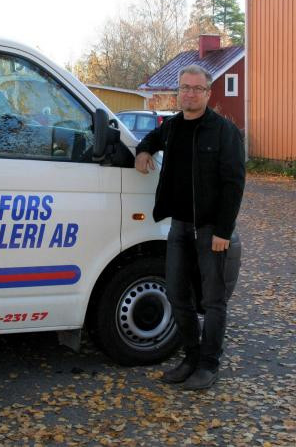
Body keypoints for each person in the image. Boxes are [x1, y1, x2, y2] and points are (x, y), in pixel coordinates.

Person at [134, 64, 245, 390]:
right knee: (177, 294)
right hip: (179, 227)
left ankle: (209, 365)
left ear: (208, 93)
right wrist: (143, 151)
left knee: (212, 301)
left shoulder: (224, 131)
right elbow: (151, 138)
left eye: (197, 88)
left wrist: (224, 231)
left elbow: (234, 183)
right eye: (185, 87)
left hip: (211, 230)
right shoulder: (171, 127)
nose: (190, 93)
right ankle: (191, 357)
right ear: (178, 91)